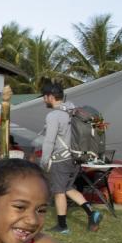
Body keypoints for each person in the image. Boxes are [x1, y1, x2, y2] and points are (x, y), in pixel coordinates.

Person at [39, 81, 103, 234]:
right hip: (76, 157)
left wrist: (44, 160)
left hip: (61, 159)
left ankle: (62, 226)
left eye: (44, 97)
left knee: (59, 191)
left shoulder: (54, 115)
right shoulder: (73, 110)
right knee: (68, 188)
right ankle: (91, 213)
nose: (43, 100)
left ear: (50, 97)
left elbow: (49, 140)